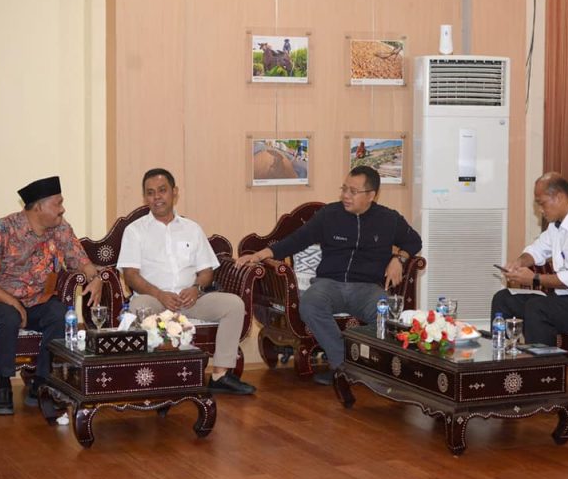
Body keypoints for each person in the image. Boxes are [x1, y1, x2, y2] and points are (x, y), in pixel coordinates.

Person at [237, 166, 422, 385]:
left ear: (371, 195)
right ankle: (342, 366)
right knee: (310, 305)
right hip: (329, 285)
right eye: (344, 189)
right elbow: (296, 240)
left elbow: (414, 241)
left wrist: (399, 259)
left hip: (367, 289)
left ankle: (362, 363)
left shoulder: (388, 219)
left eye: (353, 191)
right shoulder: (329, 215)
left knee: (388, 315)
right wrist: (259, 255)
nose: (345, 195)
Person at [117, 168, 255, 395]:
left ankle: (220, 375)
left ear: (175, 192)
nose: (157, 197)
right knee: (138, 306)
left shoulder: (192, 229)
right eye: (150, 193)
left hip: (190, 300)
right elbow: (130, 275)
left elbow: (206, 270)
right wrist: (159, 294)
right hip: (154, 300)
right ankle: (155, 377)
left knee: (234, 304)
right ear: (145, 198)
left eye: (162, 190)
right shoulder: (135, 231)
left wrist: (196, 288)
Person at [0, 176, 102, 415]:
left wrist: (95, 278)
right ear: (39, 207)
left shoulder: (61, 229)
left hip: (35, 302)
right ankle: (3, 387)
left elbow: (82, 261)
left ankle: (41, 384)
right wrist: (12, 302)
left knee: (59, 313)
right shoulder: (2, 229)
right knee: (9, 316)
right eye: (58, 203)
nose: (62, 209)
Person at [491, 172, 568, 345]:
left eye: (541, 203)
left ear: (559, 197)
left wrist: (534, 278)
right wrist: (518, 263)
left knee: (537, 308)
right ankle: (501, 357)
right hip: (565, 298)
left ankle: (542, 362)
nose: (540, 210)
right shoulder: (556, 225)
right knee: (503, 298)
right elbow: (537, 250)